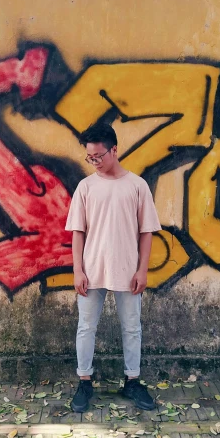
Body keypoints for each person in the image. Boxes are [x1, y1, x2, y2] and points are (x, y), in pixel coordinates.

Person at [65, 123, 162, 413]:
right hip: (91, 271)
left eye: (97, 156)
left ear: (114, 150)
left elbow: (147, 231)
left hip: (128, 270)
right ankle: (85, 381)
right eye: (89, 158)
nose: (93, 162)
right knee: (86, 328)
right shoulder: (86, 187)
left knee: (132, 328)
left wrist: (142, 270)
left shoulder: (137, 185)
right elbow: (77, 232)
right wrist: (77, 270)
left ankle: (132, 381)